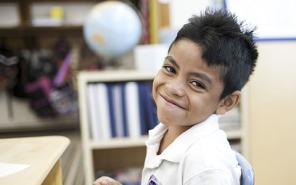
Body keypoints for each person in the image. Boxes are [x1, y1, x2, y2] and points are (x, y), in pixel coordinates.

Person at [94, 9, 258, 185]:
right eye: (170, 69)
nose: (173, 88)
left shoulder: (206, 165)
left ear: (227, 102)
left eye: (196, 84)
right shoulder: (167, 130)